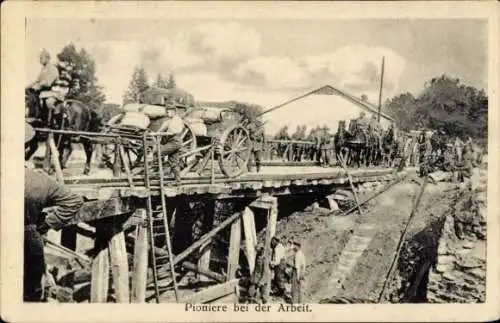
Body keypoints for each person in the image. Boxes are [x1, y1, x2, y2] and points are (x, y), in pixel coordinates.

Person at [24, 127, 84, 301]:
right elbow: (74, 201)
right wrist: (46, 225)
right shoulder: (39, 179)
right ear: (28, 149)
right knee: (30, 293)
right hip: (27, 237)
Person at [27, 50, 61, 126]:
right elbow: (37, 80)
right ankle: (35, 117)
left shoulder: (53, 69)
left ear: (47, 58)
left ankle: (51, 123)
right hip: (44, 93)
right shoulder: (43, 69)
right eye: (40, 58)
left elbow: (48, 82)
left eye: (41, 58)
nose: (40, 60)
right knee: (31, 97)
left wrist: (38, 85)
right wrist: (26, 87)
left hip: (53, 93)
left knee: (48, 102)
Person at [157, 105, 184, 183]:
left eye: (168, 111)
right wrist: (157, 132)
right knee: (173, 162)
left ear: (173, 112)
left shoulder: (177, 120)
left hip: (174, 141)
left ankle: (157, 174)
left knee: (159, 152)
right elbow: (162, 128)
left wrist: (162, 133)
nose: (167, 113)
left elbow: (172, 132)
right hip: (173, 142)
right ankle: (178, 181)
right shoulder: (170, 120)